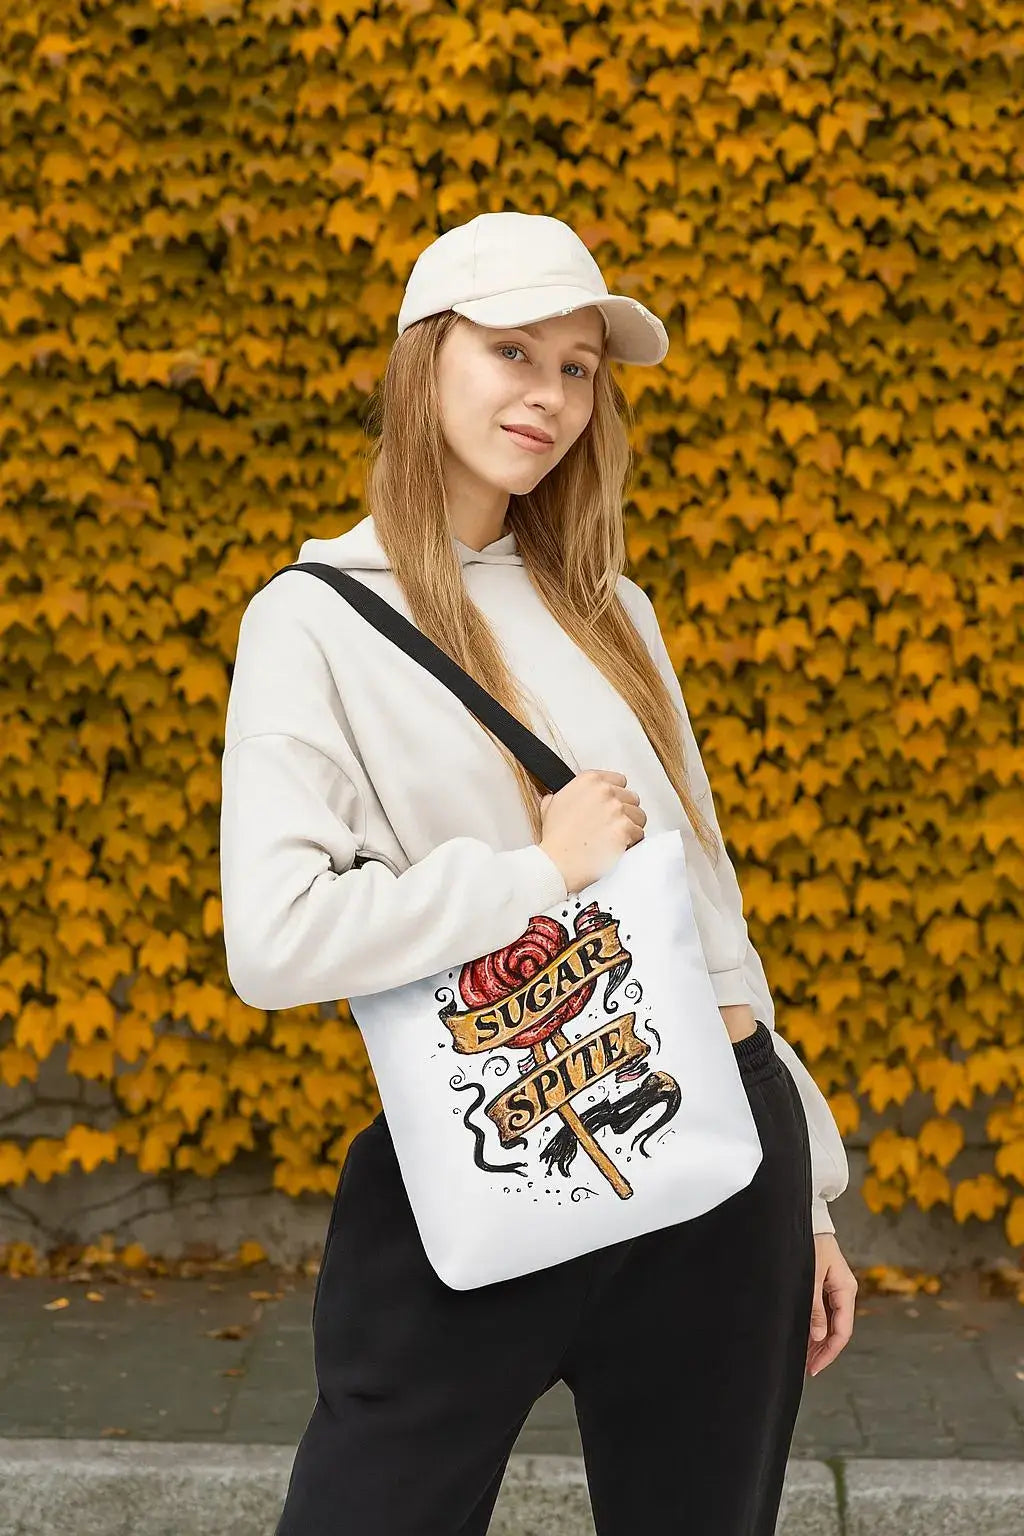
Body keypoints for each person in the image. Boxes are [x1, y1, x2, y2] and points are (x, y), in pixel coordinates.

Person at [219, 210, 857, 1536]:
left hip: (714, 1154)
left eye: (578, 368)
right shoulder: (317, 616)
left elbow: (709, 909)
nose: (551, 395)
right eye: (513, 350)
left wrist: (812, 1195)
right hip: (487, 1149)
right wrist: (536, 869)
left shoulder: (610, 605)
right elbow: (276, 940)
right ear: (425, 361)